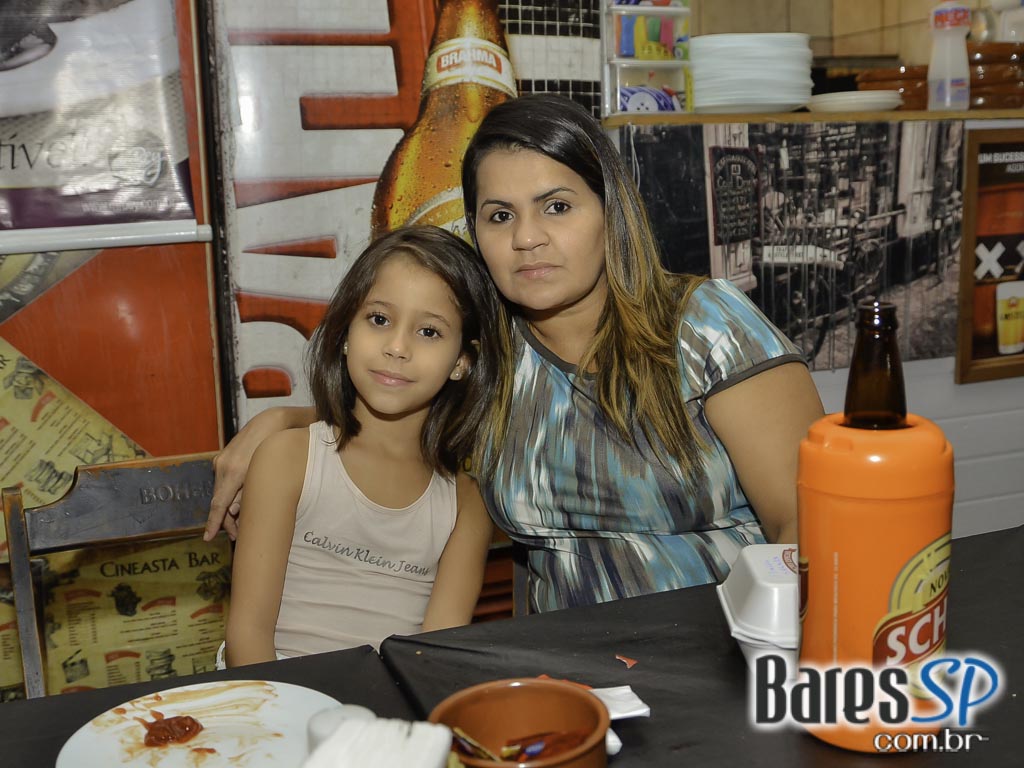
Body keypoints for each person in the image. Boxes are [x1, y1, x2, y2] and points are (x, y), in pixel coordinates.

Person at [208, 95, 824, 615]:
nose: (527, 238)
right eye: (500, 215)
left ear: (609, 209)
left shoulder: (704, 325)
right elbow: (394, 398)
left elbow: (807, 526)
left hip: (725, 648)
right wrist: (284, 419)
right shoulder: (491, 354)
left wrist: (761, 652)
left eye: (557, 206)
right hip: (563, 673)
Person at [224, 226, 501, 666]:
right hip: (273, 694)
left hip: (393, 703)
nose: (397, 347)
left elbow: (433, 661)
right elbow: (248, 637)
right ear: (346, 333)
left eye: (429, 331)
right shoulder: (288, 459)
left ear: (462, 362)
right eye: (379, 319)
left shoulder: (465, 505)